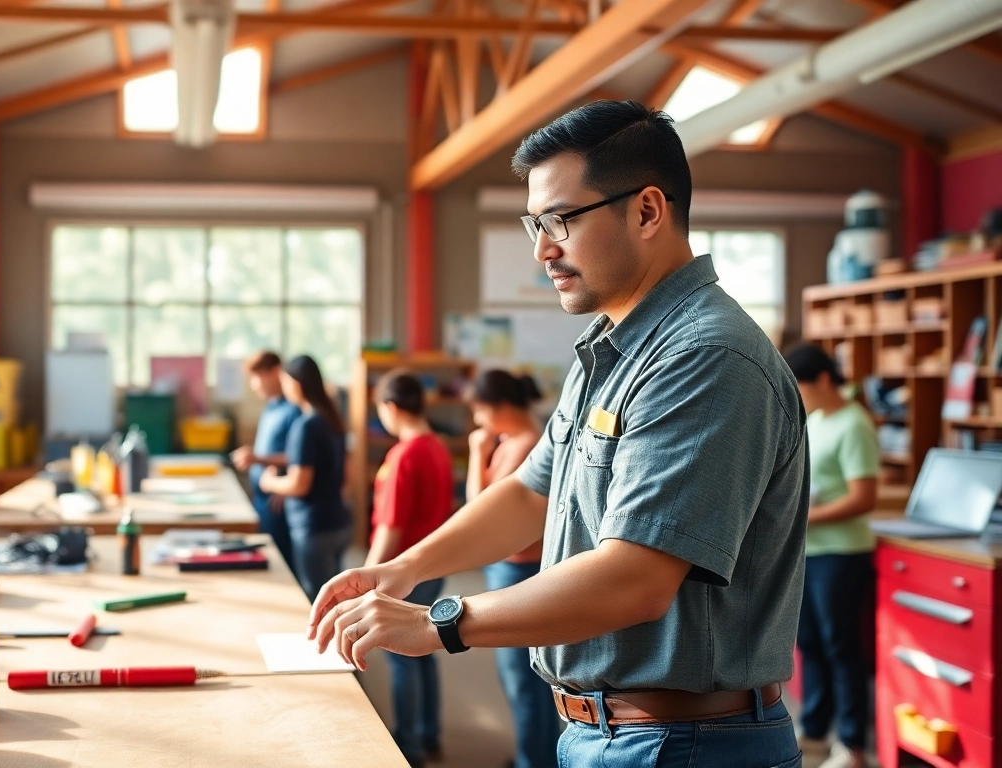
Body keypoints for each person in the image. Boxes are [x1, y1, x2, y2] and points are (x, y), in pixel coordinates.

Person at [307, 100, 808, 768]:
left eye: (561, 221)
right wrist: (404, 570)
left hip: (684, 745)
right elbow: (527, 494)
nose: (543, 248)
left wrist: (440, 621)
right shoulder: (612, 348)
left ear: (647, 210)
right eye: (534, 223)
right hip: (605, 733)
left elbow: (635, 578)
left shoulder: (705, 357)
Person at [783, 343, 879, 768]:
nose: (798, 397)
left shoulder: (854, 424)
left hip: (842, 553)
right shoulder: (815, 419)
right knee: (809, 644)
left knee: (842, 647)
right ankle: (817, 731)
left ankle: (852, 743)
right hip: (810, 552)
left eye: (801, 387)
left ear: (824, 379)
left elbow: (864, 498)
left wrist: (804, 515)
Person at [466, 369, 559, 768]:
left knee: (525, 683)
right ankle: (532, 754)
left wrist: (475, 452)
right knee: (521, 680)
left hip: (520, 570)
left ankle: (533, 759)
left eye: (480, 412)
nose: (477, 423)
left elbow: (480, 510)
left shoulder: (524, 445)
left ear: (501, 408)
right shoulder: (512, 440)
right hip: (509, 568)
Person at [367, 370, 455, 768]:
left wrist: (368, 579)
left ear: (390, 407)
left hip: (403, 569)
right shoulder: (437, 446)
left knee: (401, 653)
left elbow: (391, 527)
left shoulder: (404, 454)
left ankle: (409, 744)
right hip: (432, 566)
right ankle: (429, 732)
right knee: (425, 646)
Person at [259, 355, 353, 600]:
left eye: (285, 382)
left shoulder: (306, 425)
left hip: (314, 528)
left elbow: (300, 484)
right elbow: (341, 475)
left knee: (318, 599)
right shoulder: (332, 420)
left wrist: (271, 482)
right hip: (338, 521)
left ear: (297, 384)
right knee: (335, 596)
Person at [230, 351, 301, 571]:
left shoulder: (293, 409)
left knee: (285, 565)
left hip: (278, 502)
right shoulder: (271, 407)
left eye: (258, 377)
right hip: (263, 500)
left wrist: (258, 459)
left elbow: (300, 456)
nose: (254, 385)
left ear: (275, 372)